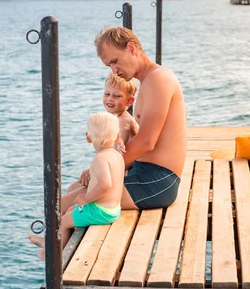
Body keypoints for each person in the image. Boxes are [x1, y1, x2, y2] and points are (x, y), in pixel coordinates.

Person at [21, 111, 124, 289]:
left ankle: (54, 250)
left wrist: (86, 198)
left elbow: (105, 184)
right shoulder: (116, 155)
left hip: (101, 212)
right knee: (69, 212)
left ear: (88, 137)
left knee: (65, 220)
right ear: (116, 137)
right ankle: (48, 242)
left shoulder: (99, 158)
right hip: (113, 209)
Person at [78, 26, 187, 210]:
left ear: (131, 48)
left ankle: (53, 237)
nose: (114, 70)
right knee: (78, 188)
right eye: (109, 66)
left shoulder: (158, 79)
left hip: (158, 181)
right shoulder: (147, 80)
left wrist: (104, 164)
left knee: (78, 201)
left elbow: (146, 142)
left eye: (115, 61)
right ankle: (52, 237)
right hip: (143, 172)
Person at [103, 72, 139, 148]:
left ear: (129, 101)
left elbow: (117, 150)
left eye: (117, 96)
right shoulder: (117, 118)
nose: (110, 98)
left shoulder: (123, 121)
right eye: (107, 94)